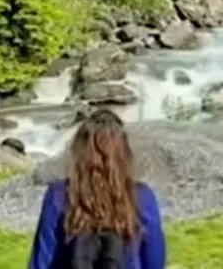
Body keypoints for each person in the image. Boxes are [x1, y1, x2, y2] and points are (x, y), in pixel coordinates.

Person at [28, 109, 166, 269]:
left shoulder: (59, 195)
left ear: (79, 152)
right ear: (123, 152)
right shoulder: (142, 197)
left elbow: (41, 262)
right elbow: (154, 262)